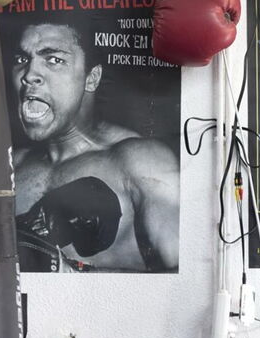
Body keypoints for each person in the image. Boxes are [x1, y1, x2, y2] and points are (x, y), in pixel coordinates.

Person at [9, 22, 179, 272]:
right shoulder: (13, 166)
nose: (29, 74)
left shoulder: (139, 160)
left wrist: (73, 271)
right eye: (22, 58)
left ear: (92, 78)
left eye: (54, 59)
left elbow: (182, 282)